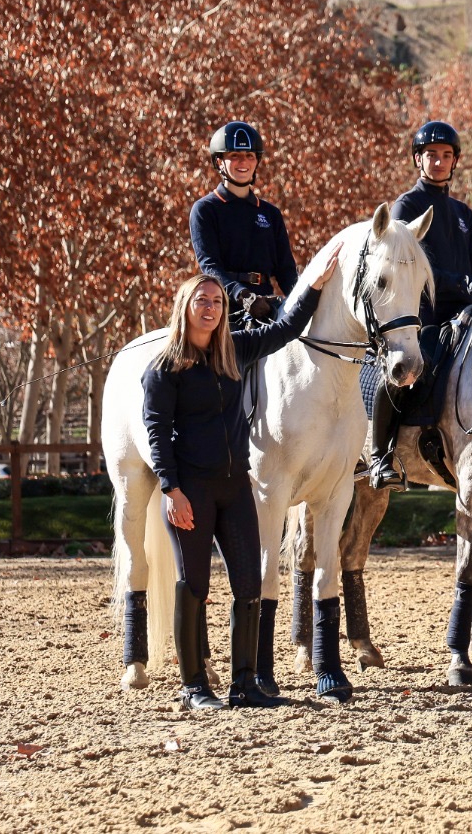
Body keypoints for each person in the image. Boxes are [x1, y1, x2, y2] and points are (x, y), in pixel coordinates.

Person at [144, 247, 340, 710]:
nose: (211, 307)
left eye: (216, 301)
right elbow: (156, 432)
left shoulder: (236, 351)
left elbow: (287, 328)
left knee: (250, 584)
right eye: (202, 300)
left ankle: (245, 684)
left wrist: (312, 286)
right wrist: (171, 490)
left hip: (235, 487)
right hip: (189, 490)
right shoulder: (165, 368)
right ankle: (194, 686)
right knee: (194, 585)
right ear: (185, 308)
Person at [369, 121, 472, 489]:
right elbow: (410, 267)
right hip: (424, 317)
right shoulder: (406, 205)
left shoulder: (463, 213)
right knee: (404, 372)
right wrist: (462, 282)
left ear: (455, 161)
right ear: (418, 160)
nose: (439, 162)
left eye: (446, 155)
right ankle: (380, 455)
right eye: (431, 155)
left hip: (468, 315)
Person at [189, 122, 298, 328]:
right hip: (226, 308)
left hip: (267, 306)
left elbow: (286, 271)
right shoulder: (205, 209)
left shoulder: (270, 214)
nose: (243, 162)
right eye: (235, 156)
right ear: (220, 161)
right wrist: (243, 295)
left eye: (249, 156)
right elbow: (210, 266)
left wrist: (305, 300)